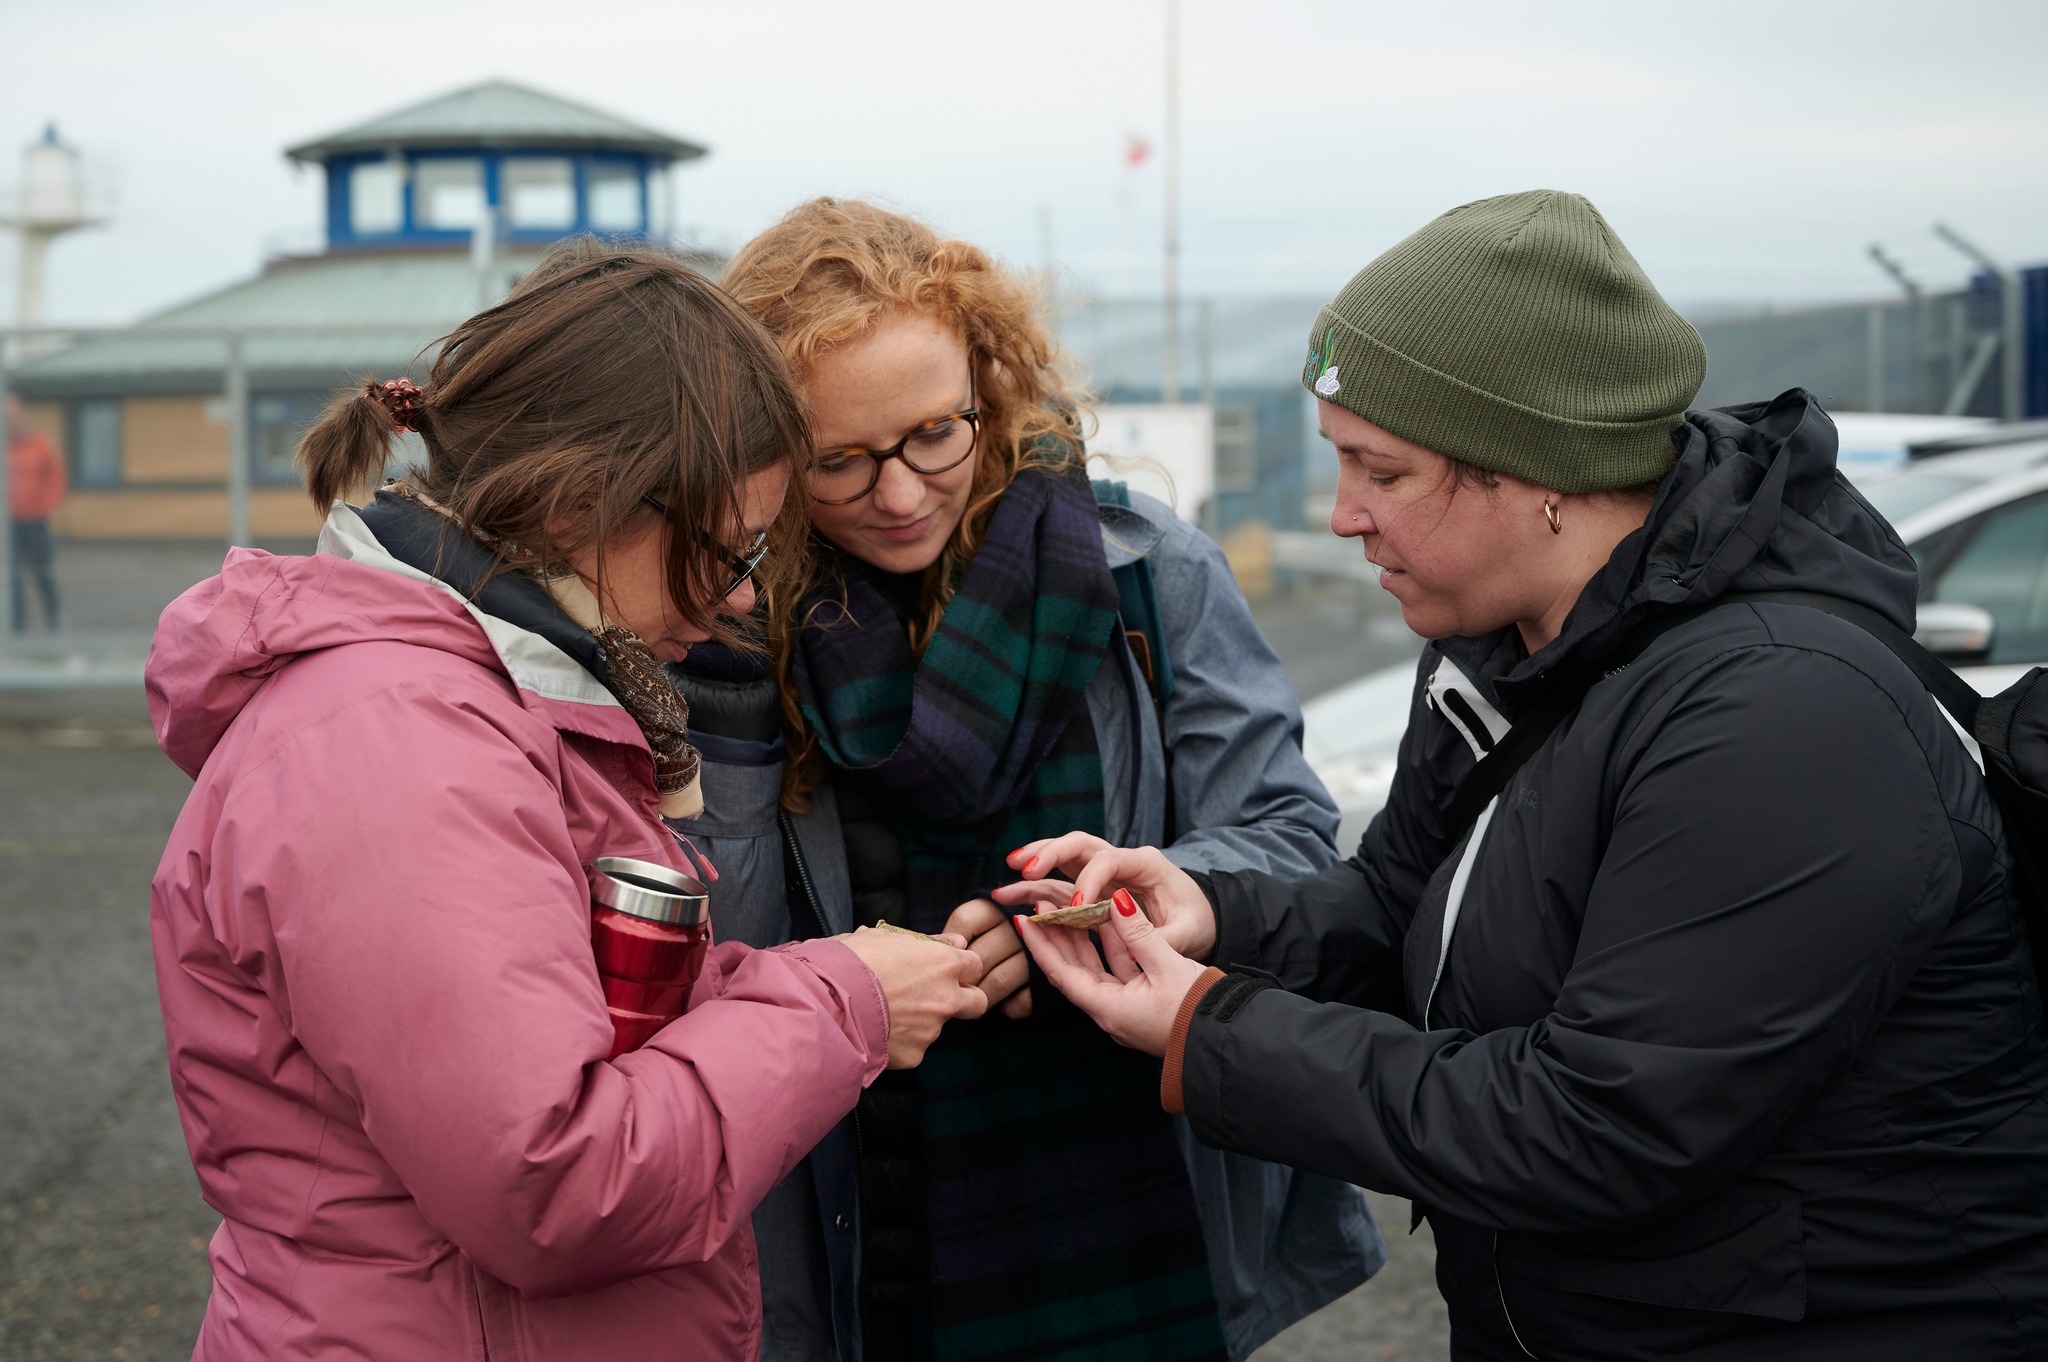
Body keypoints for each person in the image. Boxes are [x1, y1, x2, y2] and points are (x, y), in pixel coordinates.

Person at [1011, 190, 2048, 1360]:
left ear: (1538, 473)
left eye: (1380, 472)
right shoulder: (1507, 642)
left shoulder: (1783, 715)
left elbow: (1593, 1125)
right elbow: (1405, 908)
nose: (1342, 516)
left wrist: (1207, 1028)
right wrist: (1212, 915)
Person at [147, 240, 990, 1361]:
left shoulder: (479, 703)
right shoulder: (401, 748)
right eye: (727, 546)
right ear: (575, 507)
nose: (742, 595)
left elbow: (563, 1041)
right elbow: (555, 1183)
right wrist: (844, 1003)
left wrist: (826, 984)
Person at [669, 198, 1381, 1361]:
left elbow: (1288, 838)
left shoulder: (1144, 573)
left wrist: (1097, 913)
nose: (896, 495)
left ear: (989, 383)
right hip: (851, 1224)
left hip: (1125, 1194)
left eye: (931, 436)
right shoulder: (711, 625)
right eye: (835, 461)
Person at [7, 393, 65, 632]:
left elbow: (55, 478)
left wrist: (45, 507)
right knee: (11, 577)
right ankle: (15, 627)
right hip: (8, 524)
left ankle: (55, 620)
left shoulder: (40, 445)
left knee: (42, 572)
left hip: (35, 521)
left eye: (12, 415)